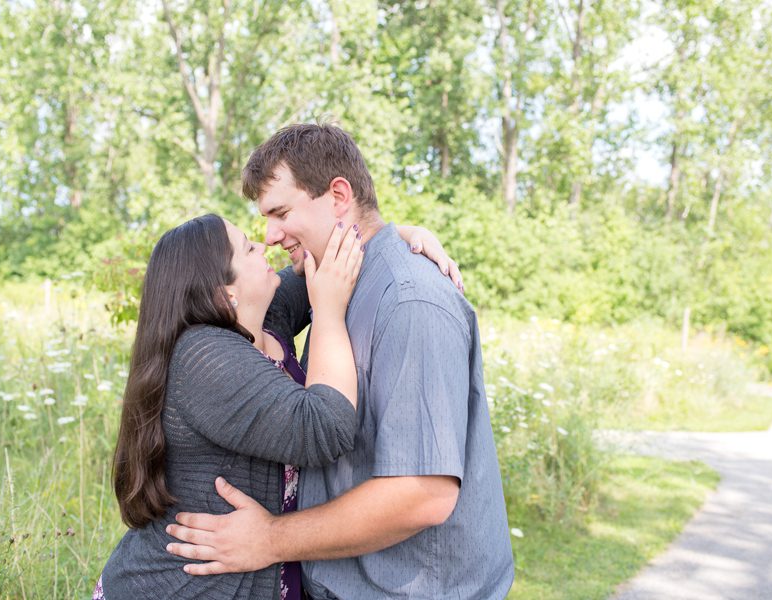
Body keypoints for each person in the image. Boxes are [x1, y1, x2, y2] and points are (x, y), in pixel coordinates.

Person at [165, 124, 515, 599]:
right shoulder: (329, 282)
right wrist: (398, 233)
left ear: (338, 196)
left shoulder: (410, 302)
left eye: (281, 212)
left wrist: (269, 539)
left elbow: (423, 494)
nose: (268, 236)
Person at [96, 213, 458, 600]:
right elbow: (325, 428)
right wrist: (330, 315)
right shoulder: (204, 357)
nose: (265, 246)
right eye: (249, 248)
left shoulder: (264, 319)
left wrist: (402, 235)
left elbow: (329, 263)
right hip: (176, 587)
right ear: (226, 293)